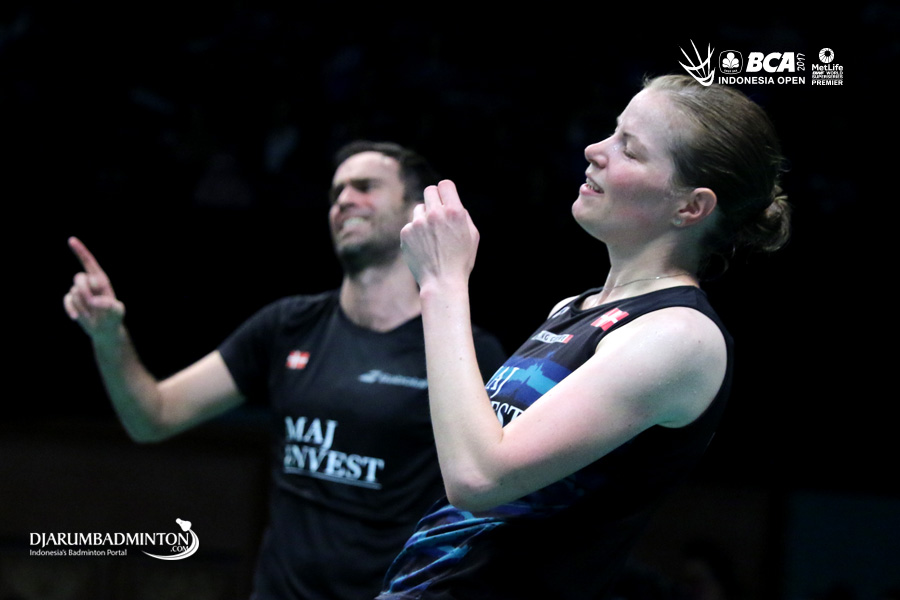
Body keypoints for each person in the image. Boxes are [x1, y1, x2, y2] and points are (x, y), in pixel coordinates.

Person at [377, 74, 792, 599]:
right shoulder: (574, 309)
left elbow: (478, 478)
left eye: (630, 149)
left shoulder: (681, 337)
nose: (595, 150)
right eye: (612, 132)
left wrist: (441, 284)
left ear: (690, 207)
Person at [63, 140, 507, 600]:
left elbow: (493, 494)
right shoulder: (286, 327)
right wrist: (108, 337)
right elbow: (153, 416)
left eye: (365, 187)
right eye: (336, 192)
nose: (344, 200)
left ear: (415, 212)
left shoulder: (464, 348)